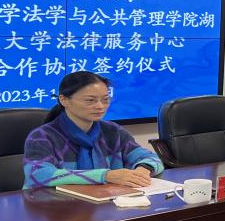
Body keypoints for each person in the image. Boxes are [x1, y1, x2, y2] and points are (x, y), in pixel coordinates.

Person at [23, 71, 164, 188]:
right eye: (90, 100)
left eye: (105, 99)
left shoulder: (113, 131)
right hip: (54, 206)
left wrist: (143, 169)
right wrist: (106, 176)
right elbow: (38, 175)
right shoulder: (42, 136)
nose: (100, 106)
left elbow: (150, 158)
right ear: (64, 100)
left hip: (106, 204)